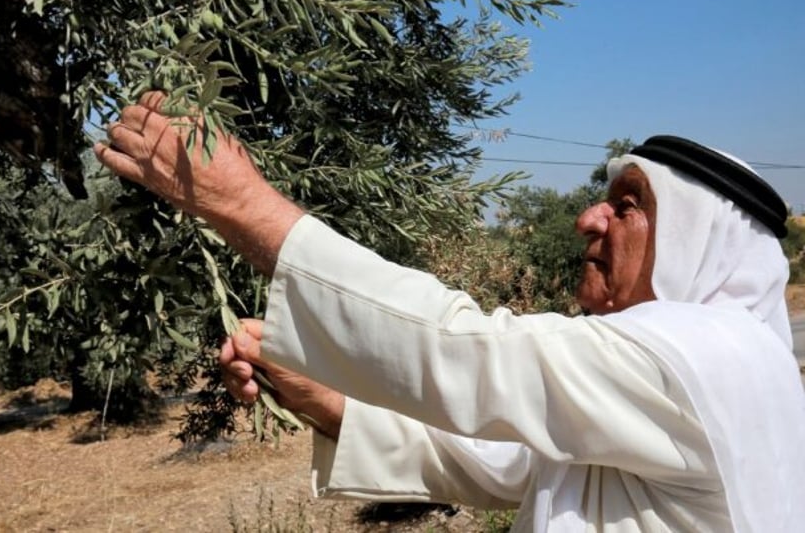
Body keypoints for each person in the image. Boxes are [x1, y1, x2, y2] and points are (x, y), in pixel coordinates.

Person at [95, 91, 805, 532]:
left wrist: (240, 202)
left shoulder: (712, 357)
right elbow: (504, 463)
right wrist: (322, 398)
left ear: (698, 243)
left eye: (627, 206)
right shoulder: (667, 376)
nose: (591, 217)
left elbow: (472, 352)